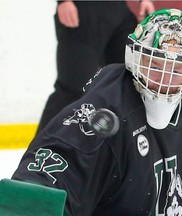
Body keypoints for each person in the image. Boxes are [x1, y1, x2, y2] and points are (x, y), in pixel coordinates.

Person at [1, 8, 182, 216]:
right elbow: (44, 182)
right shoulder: (104, 112)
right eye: (156, 63)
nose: (166, 78)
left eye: (178, 68)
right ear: (133, 58)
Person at [36, 0, 155, 133]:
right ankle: (39, 149)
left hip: (119, 11)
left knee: (129, 83)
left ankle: (128, 147)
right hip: (82, 11)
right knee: (72, 89)